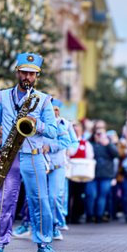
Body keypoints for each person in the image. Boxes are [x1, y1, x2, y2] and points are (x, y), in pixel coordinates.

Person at [0, 53, 59, 252]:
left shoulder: (44, 100)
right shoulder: (2, 96)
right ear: (17, 72)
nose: (27, 77)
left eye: (32, 74)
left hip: (33, 155)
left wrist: (36, 124)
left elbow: (53, 131)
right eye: (24, 72)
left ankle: (44, 244)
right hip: (10, 155)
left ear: (37, 76)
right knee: (4, 201)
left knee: (40, 201)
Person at [44, 99, 77, 237]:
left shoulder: (65, 124)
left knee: (54, 197)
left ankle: (56, 224)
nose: (54, 112)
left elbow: (73, 142)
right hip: (41, 163)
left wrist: (70, 150)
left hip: (58, 164)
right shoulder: (39, 122)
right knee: (38, 198)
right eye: (51, 109)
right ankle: (35, 225)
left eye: (56, 109)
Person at [87, 125, 118, 223]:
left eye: (101, 134)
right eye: (97, 133)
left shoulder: (109, 144)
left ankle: (99, 216)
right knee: (91, 195)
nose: (99, 136)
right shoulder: (90, 144)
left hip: (106, 174)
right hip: (92, 174)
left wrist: (108, 144)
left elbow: (116, 154)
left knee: (102, 196)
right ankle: (90, 215)